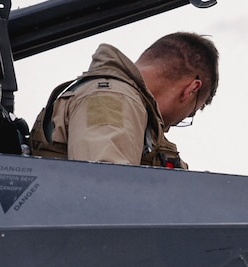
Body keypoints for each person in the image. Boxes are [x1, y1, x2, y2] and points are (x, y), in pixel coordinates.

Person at [29, 31, 218, 168]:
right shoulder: (112, 99)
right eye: (188, 114)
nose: (168, 127)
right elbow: (105, 190)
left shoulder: (118, 99)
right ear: (191, 89)